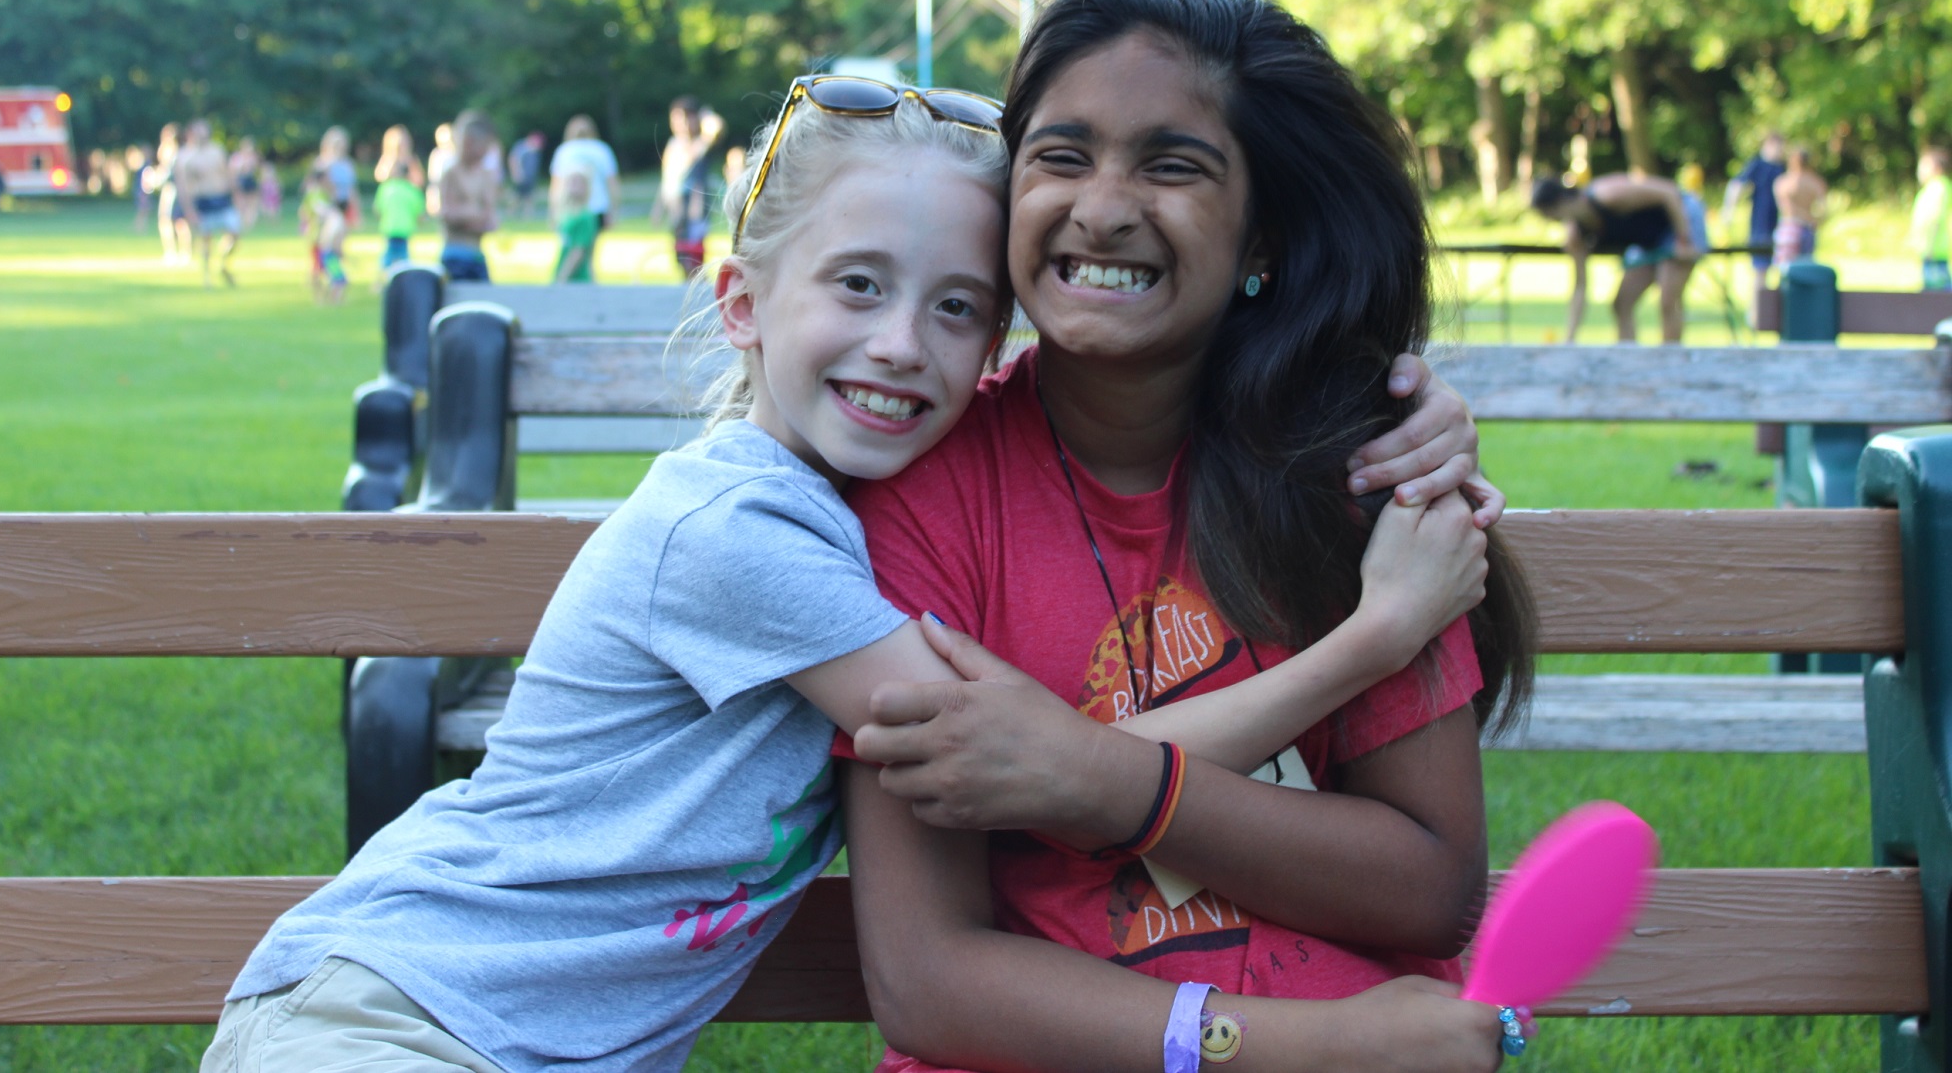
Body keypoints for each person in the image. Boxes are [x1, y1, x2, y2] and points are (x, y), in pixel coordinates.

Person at [200, 71, 1502, 1073]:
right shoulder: (740, 534)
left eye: (953, 308)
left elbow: (1087, 742)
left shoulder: (859, 510)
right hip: (398, 1012)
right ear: (742, 303)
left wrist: (1383, 397)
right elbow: (1056, 768)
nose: (902, 346)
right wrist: (1371, 639)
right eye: (859, 286)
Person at [829, 0, 1526, 1073]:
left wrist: (1098, 782)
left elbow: (1428, 886)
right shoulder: (920, 492)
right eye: (1060, 157)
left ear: (1264, 239)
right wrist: (1302, 1046)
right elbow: (926, 979)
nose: (1102, 208)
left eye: (1170, 165)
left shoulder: (1364, 474)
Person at [1532, 172, 1704, 342]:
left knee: (1667, 299)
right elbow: (1580, 287)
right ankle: (1627, 361)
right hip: (1648, 241)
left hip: (1680, 217)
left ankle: (1671, 363)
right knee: (1622, 303)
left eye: (1547, 214)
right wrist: (1569, 339)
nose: (1550, 220)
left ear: (1558, 203)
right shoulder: (1575, 236)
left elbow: (1669, 192)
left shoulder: (1606, 194)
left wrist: (1684, 240)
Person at [431, 110, 500, 283]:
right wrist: (476, 216)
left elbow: (490, 219)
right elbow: (448, 214)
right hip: (455, 254)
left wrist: (469, 217)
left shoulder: (485, 176)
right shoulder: (451, 174)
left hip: (477, 254)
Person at [660, 97, 724, 274]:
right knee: (680, 257)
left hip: (695, 210)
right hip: (676, 209)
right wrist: (659, 208)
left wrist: (706, 117)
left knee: (694, 257)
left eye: (688, 118)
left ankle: (695, 291)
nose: (683, 124)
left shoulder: (702, 143)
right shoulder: (673, 144)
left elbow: (717, 127)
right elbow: (667, 178)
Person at [174, 119, 240, 288]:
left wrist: (236, 195)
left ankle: (223, 262)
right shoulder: (185, 156)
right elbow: (182, 186)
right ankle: (207, 277)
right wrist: (189, 210)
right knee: (206, 240)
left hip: (222, 198)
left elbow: (228, 174)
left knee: (234, 231)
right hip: (202, 201)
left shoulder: (217, 151)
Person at [548, 114, 620, 263]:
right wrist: (613, 210)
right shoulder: (601, 149)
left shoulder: (565, 150)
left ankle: (573, 279)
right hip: (594, 206)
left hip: (574, 208)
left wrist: (553, 212)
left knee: (572, 248)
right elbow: (612, 184)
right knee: (587, 252)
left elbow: (555, 185)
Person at [1722, 130, 1786, 276]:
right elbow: (1736, 185)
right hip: (1760, 224)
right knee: (1760, 269)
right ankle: (1760, 299)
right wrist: (1728, 211)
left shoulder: (1781, 167)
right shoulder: (1757, 165)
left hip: (1778, 224)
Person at [373, 126, 428, 270]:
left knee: (402, 251)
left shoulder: (411, 160)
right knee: (390, 250)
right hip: (392, 205)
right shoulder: (388, 159)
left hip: (405, 205)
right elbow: (380, 176)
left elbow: (419, 180)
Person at [1771, 147, 1828, 266]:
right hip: (1808, 227)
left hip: (1789, 226)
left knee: (1785, 269)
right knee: (1805, 268)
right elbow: (1823, 209)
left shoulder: (1782, 182)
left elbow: (1781, 206)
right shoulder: (1815, 182)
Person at [299, 168, 348, 303]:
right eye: (327, 178)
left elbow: (303, 211)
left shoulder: (318, 193)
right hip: (318, 235)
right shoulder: (316, 194)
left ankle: (322, 296)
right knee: (319, 265)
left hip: (319, 234)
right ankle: (320, 297)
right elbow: (318, 210)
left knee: (320, 265)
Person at [150, 122, 189, 264]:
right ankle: (176, 252)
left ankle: (178, 253)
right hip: (172, 189)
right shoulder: (176, 151)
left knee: (176, 222)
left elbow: (168, 172)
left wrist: (155, 179)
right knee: (172, 221)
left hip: (175, 189)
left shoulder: (175, 152)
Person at [1912, 147, 1951, 290]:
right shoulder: (1930, 188)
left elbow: (1936, 218)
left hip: (1935, 249)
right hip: (1928, 248)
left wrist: (1930, 246)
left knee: (1940, 289)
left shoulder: (1939, 187)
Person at [551, 170, 599, 284]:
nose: (575, 186)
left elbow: (579, 250)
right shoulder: (566, 215)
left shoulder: (586, 217)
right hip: (562, 269)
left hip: (577, 278)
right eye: (572, 182)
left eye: (579, 183)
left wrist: (562, 277)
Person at [317, 127, 359, 226]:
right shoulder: (322, 163)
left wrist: (356, 210)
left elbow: (352, 188)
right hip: (327, 203)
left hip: (343, 204)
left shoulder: (347, 164)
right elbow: (315, 185)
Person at [508, 130, 547, 217]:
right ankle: (510, 214)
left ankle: (527, 216)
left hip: (530, 178)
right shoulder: (521, 147)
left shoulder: (534, 151)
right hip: (521, 177)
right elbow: (513, 159)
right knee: (517, 197)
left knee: (530, 198)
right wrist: (516, 173)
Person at [229, 137, 263, 231]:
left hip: (250, 181)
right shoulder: (237, 157)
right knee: (240, 204)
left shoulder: (254, 157)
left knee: (252, 203)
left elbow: (258, 169)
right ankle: (241, 222)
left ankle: (249, 223)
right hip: (241, 181)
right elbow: (233, 171)